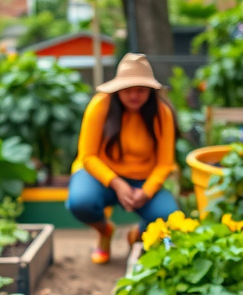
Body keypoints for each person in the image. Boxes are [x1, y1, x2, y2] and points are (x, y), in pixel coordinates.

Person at [67, 53, 179, 265]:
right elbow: (88, 156)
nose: (134, 95)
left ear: (150, 90)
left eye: (141, 90)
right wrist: (117, 184)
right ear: (118, 89)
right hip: (99, 176)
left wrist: (146, 192)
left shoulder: (162, 112)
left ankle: (137, 235)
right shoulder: (100, 105)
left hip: (141, 181)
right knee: (80, 201)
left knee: (170, 217)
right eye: (128, 89)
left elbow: (166, 163)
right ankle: (105, 231)